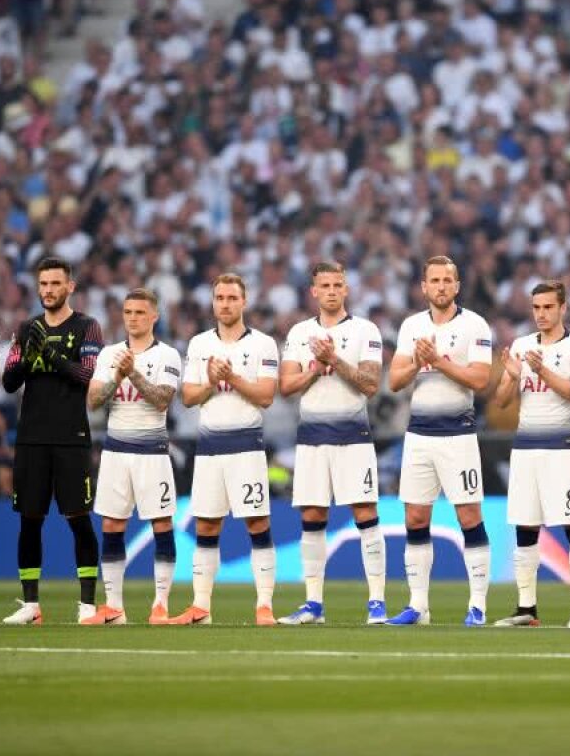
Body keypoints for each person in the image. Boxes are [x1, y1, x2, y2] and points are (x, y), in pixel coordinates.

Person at [165, 274, 280, 626]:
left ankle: (264, 606)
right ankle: (201, 607)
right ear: (213, 303)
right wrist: (212, 382)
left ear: (244, 302)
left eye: (232, 297)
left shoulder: (263, 344)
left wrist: (233, 378)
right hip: (210, 447)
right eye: (220, 298)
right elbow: (187, 398)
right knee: (207, 525)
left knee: (257, 522)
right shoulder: (199, 345)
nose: (225, 304)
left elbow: (265, 397)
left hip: (246, 446)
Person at [277, 262, 387, 625]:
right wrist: (313, 367)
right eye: (324, 285)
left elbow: (371, 385)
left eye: (337, 284)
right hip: (312, 440)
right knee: (312, 516)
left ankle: (377, 602)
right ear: (313, 291)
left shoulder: (364, 330)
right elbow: (286, 387)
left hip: (353, 439)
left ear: (346, 289)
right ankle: (313, 605)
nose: (331, 291)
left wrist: (333, 359)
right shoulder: (298, 332)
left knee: (365, 515)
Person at [386, 256, 493, 626]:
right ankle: (418, 606)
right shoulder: (412, 326)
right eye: (435, 280)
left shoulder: (474, 325)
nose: (442, 286)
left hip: (458, 434)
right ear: (424, 287)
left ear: (458, 286)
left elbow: (480, 381)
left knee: (468, 514)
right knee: (415, 515)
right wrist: (419, 361)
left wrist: (439, 361)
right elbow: (395, 381)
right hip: (419, 434)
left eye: (448, 279)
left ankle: (477, 605)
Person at [1, 256, 104, 625]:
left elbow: (87, 374)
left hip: (72, 437)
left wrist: (49, 353)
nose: (48, 291)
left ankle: (88, 605)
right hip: (31, 438)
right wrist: (27, 355)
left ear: (70, 287)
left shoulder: (88, 327)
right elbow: (9, 381)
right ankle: (31, 605)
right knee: (30, 521)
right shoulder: (26, 327)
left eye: (55, 284)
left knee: (79, 520)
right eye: (43, 284)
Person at [492, 280, 570, 628]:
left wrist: (541, 370)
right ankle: (526, 608)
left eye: (548, 307)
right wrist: (511, 376)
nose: (541, 314)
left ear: (563, 308)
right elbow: (501, 402)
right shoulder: (521, 345)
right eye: (536, 308)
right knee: (525, 525)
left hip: (562, 449)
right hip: (526, 448)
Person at [83, 288, 182, 625]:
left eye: (140, 312)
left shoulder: (167, 355)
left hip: (153, 454)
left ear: (154, 316)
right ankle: (114, 608)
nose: (133, 318)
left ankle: (160, 605)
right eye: (128, 312)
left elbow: (161, 401)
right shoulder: (109, 354)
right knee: (112, 524)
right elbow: (94, 402)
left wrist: (134, 374)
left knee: (161, 524)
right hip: (115, 452)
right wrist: (117, 375)